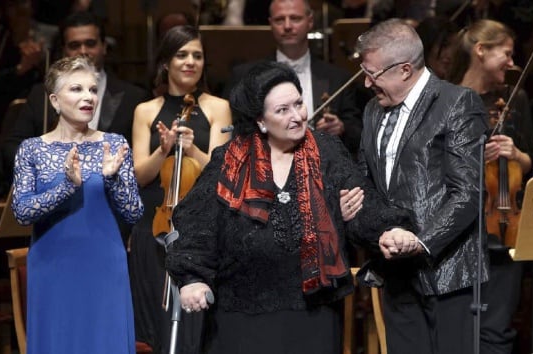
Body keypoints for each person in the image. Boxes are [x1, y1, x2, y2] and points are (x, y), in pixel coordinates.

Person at [165, 61, 414, 354]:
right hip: (240, 313)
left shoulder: (327, 151)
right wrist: (193, 279)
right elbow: (198, 224)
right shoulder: (230, 160)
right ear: (260, 120)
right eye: (282, 110)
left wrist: (389, 229)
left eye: (298, 104)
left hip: (312, 311)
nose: (297, 116)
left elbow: (363, 201)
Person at [351, 18, 488, 354]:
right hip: (397, 273)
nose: (367, 83)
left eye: (373, 74)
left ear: (405, 70)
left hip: (448, 273)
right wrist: (378, 232)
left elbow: (469, 191)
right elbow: (364, 180)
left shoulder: (456, 102)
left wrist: (421, 242)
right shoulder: (372, 110)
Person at [10, 55, 143, 354]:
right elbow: (21, 211)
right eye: (77, 89)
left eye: (93, 90)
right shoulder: (32, 149)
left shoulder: (114, 144)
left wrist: (111, 179)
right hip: (52, 264)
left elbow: (134, 210)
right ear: (55, 101)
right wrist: (68, 186)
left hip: (104, 263)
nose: (88, 97)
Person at [128, 25, 232, 354]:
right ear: (165, 62)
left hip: (203, 228)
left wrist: (192, 150)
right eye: (181, 54)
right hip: (156, 227)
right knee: (157, 329)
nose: (190, 62)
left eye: (197, 56)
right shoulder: (145, 110)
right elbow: (138, 177)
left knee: (197, 327)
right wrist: (164, 150)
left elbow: (223, 173)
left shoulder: (218, 107)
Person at [448, 18, 533, 354]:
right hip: (458, 234)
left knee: (497, 331)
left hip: (504, 227)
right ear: (481, 51)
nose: (512, 63)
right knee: (456, 329)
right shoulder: (445, 100)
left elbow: (531, 166)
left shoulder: (516, 100)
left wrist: (518, 154)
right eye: (507, 53)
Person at [2, 11, 150, 193]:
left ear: (104, 46)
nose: (83, 51)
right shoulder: (41, 94)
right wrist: (45, 166)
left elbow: (141, 158)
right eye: (74, 45)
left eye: (90, 43)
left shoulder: (133, 97)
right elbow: (11, 147)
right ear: (64, 51)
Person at [224, 0, 364, 156]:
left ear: (310, 21)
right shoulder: (245, 76)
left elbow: (359, 134)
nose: (287, 26)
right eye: (279, 20)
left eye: (295, 18)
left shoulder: (338, 78)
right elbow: (234, 131)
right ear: (270, 23)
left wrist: (341, 128)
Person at [0, 0, 57, 136]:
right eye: (12, 4)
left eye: (23, 2)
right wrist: (20, 69)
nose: (20, 9)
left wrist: (39, 62)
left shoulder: (51, 34)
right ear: (5, 10)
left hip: (42, 113)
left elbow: (60, 77)